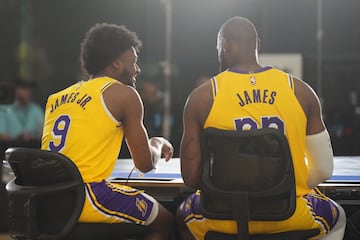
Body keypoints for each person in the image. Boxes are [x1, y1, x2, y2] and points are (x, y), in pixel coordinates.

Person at [177, 17, 346, 240]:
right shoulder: (300, 91)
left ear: (225, 46)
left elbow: (191, 178)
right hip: (289, 215)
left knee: (181, 215)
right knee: (339, 216)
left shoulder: (202, 97)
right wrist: (285, 186)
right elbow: (324, 169)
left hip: (223, 217)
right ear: (258, 44)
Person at [41, 23, 175, 240]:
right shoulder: (124, 95)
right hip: (88, 195)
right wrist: (157, 142)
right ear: (116, 62)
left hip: (47, 199)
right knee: (167, 222)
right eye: (134, 62)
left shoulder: (56, 98)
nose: (137, 69)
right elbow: (145, 165)